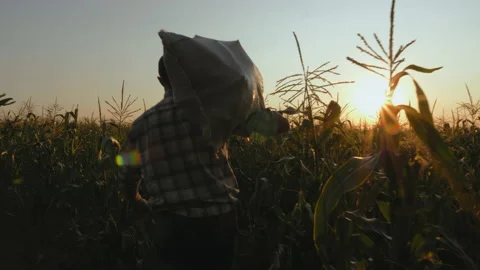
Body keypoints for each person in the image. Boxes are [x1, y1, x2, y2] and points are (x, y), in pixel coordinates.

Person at [118, 56, 289, 270]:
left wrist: (135, 198)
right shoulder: (214, 112)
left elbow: (125, 168)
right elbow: (282, 126)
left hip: (170, 226)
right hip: (218, 224)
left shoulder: (142, 125)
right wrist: (253, 105)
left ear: (161, 80)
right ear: (190, 76)